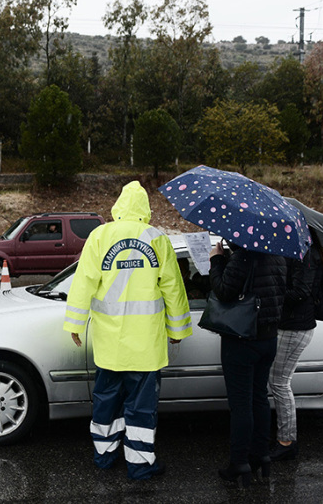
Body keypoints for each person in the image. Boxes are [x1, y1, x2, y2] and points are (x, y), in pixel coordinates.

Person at [63, 181, 192, 480]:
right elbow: (173, 287)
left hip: (110, 345)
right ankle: (140, 464)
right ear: (145, 209)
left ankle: (105, 456)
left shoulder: (100, 235)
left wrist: (75, 324)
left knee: (106, 401)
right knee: (141, 408)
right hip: (146, 346)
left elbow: (83, 282)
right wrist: (177, 330)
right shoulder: (156, 238)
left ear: (118, 207)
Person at [209, 239, 287, 486]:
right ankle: (260, 456)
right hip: (268, 337)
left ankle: (239, 463)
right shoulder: (277, 255)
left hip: (242, 339)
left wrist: (217, 260)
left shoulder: (243, 257)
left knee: (241, 405)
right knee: (259, 398)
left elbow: (222, 290)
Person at [268, 226, 323, 461]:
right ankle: (285, 437)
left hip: (295, 327)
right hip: (291, 325)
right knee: (278, 381)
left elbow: (300, 291)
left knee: (279, 382)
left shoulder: (306, 253)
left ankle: (287, 441)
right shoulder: (298, 251)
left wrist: (273, 292)